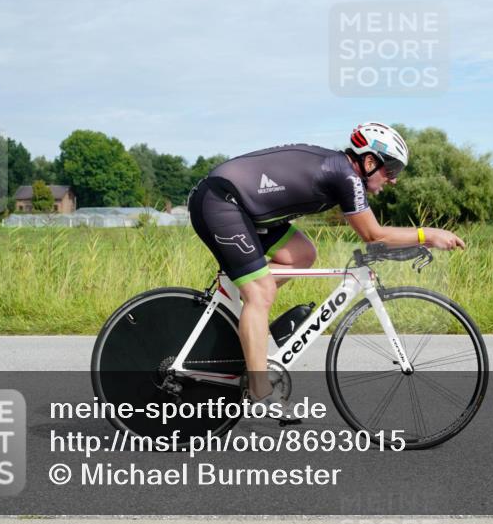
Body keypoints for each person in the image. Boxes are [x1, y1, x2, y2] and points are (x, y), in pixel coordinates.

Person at [187, 122, 465, 419]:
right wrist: (428, 235)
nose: (393, 180)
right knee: (261, 292)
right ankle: (260, 392)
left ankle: (248, 315)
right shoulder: (344, 175)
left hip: (248, 209)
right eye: (391, 170)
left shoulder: (341, 170)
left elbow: (374, 237)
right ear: (370, 162)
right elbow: (373, 235)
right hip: (221, 202)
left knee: (303, 254)